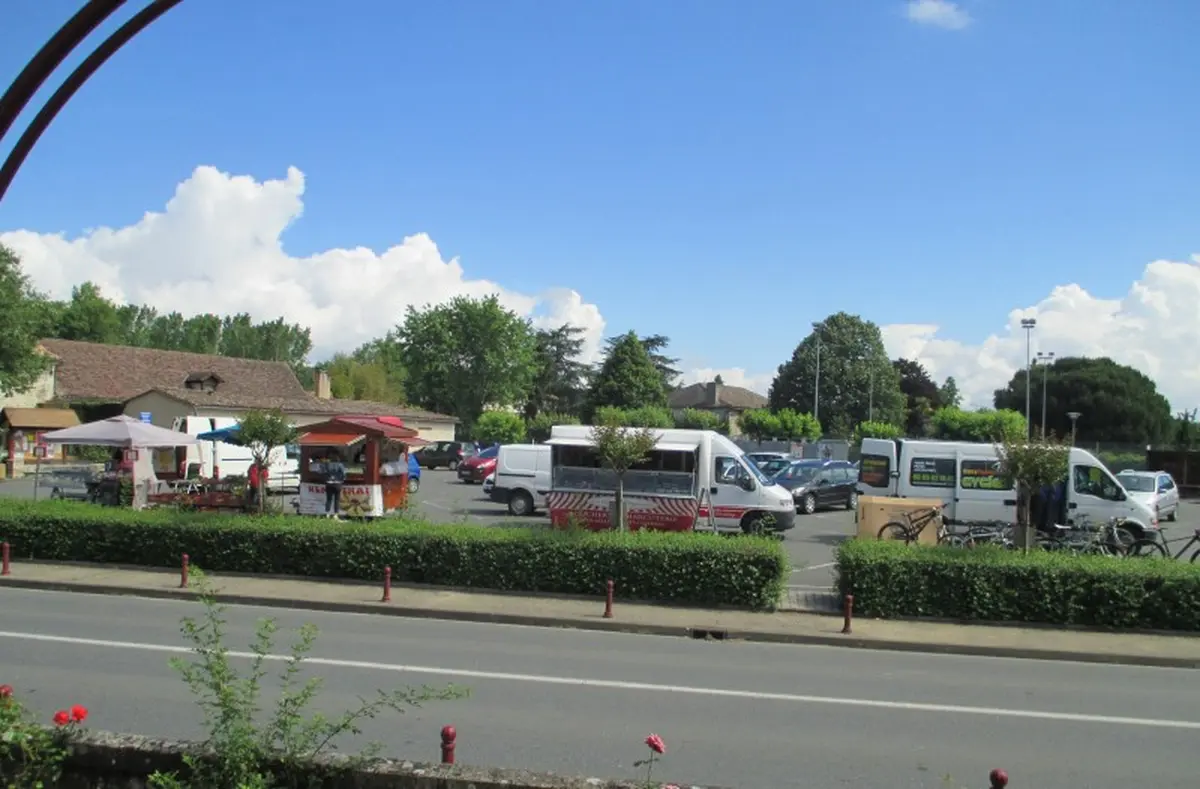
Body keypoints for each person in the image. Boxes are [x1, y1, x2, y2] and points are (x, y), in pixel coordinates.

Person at [323, 452, 346, 518]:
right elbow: (344, 474)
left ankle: (327, 514)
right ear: (338, 459)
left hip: (329, 483)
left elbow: (323, 472)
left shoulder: (327, 464)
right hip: (337, 484)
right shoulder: (340, 465)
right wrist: (342, 480)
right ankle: (335, 515)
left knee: (328, 499)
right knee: (337, 500)